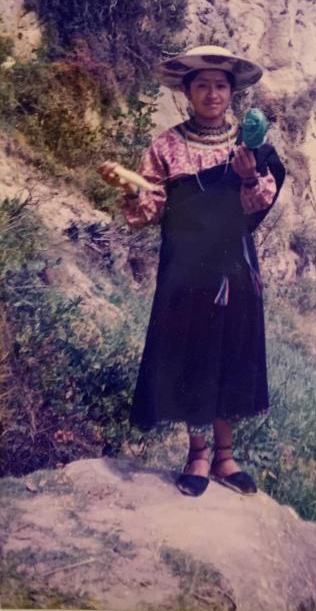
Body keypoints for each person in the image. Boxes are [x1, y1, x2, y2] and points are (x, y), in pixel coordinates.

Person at [98, 45, 285, 497]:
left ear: (232, 92)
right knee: (191, 354)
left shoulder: (250, 145)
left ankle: (226, 457)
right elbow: (149, 211)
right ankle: (197, 455)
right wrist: (131, 189)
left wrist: (245, 176)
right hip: (185, 268)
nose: (212, 93)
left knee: (229, 354)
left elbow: (260, 203)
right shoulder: (166, 146)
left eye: (220, 86)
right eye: (202, 85)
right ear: (187, 91)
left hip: (234, 269)